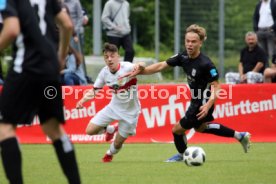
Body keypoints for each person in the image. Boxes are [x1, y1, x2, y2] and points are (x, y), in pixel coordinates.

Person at [121, 24, 251, 162]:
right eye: (187, 41)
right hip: (197, 101)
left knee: (177, 130)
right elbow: (161, 65)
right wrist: (141, 72)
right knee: (201, 128)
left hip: (201, 103)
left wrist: (207, 105)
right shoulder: (183, 56)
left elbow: (217, 87)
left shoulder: (206, 64)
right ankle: (240, 136)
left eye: (193, 41)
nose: (189, 44)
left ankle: (183, 155)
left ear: (200, 43)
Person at [0, 0, 81, 183]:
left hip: (25, 68)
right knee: (53, 128)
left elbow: (12, 29)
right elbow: (67, 24)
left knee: (5, 128)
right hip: (50, 70)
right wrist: (60, 56)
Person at [76, 43, 144, 162]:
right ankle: (110, 129)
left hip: (131, 112)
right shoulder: (104, 72)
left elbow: (141, 65)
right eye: (106, 57)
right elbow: (95, 90)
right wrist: (82, 100)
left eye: (112, 56)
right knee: (89, 131)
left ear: (118, 56)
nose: (109, 59)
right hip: (113, 107)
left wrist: (141, 66)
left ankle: (109, 153)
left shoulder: (127, 67)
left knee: (117, 144)